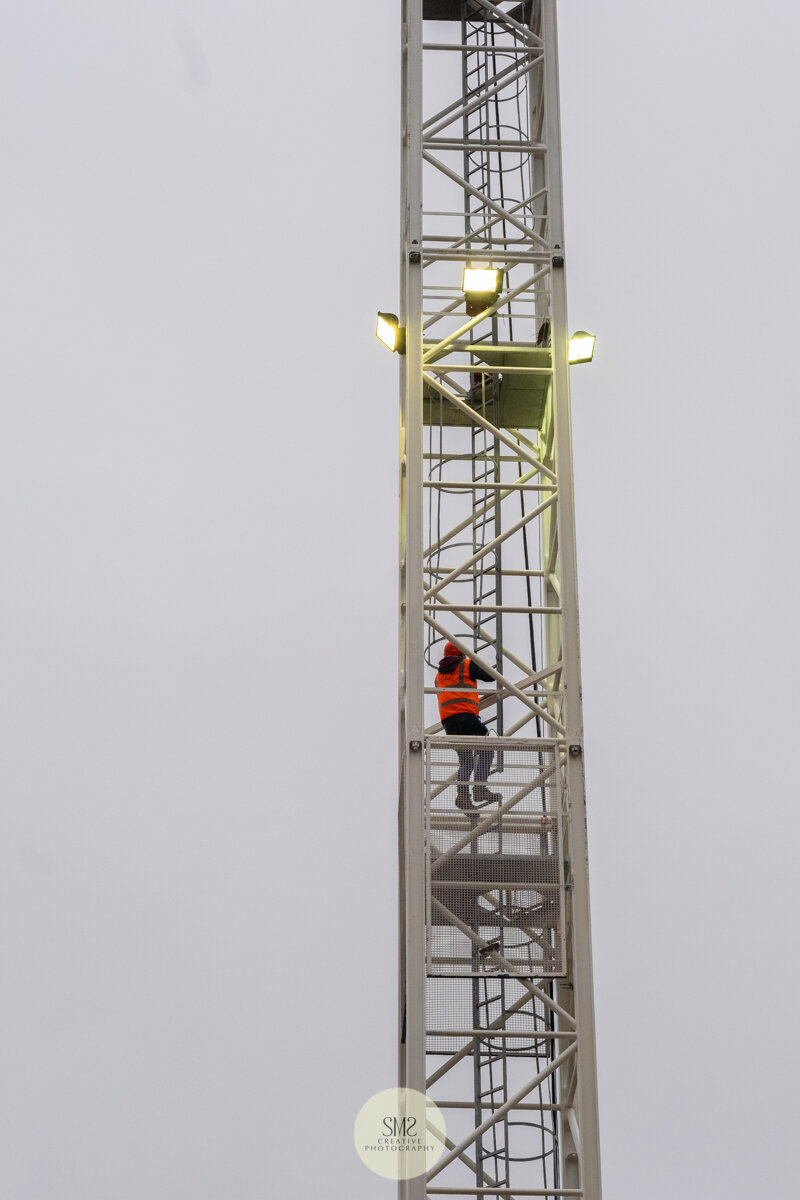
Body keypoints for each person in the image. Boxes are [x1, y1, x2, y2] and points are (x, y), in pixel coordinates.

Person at [435, 641, 502, 811]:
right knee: (487, 749)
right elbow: (491, 675)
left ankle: (463, 795)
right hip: (465, 716)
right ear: (461, 653)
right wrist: (474, 659)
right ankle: (479, 789)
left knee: (466, 760)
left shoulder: (438, 676)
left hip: (449, 723)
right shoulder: (465, 664)